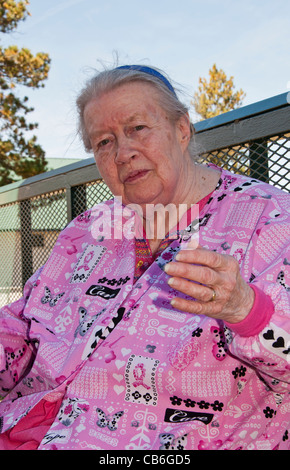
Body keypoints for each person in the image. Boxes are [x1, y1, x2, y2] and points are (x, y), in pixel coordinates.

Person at [0, 64, 289, 451]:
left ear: (181, 129)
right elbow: (26, 325)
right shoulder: (88, 229)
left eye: (137, 128)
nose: (123, 153)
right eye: (103, 142)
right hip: (29, 423)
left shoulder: (269, 217)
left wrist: (246, 309)